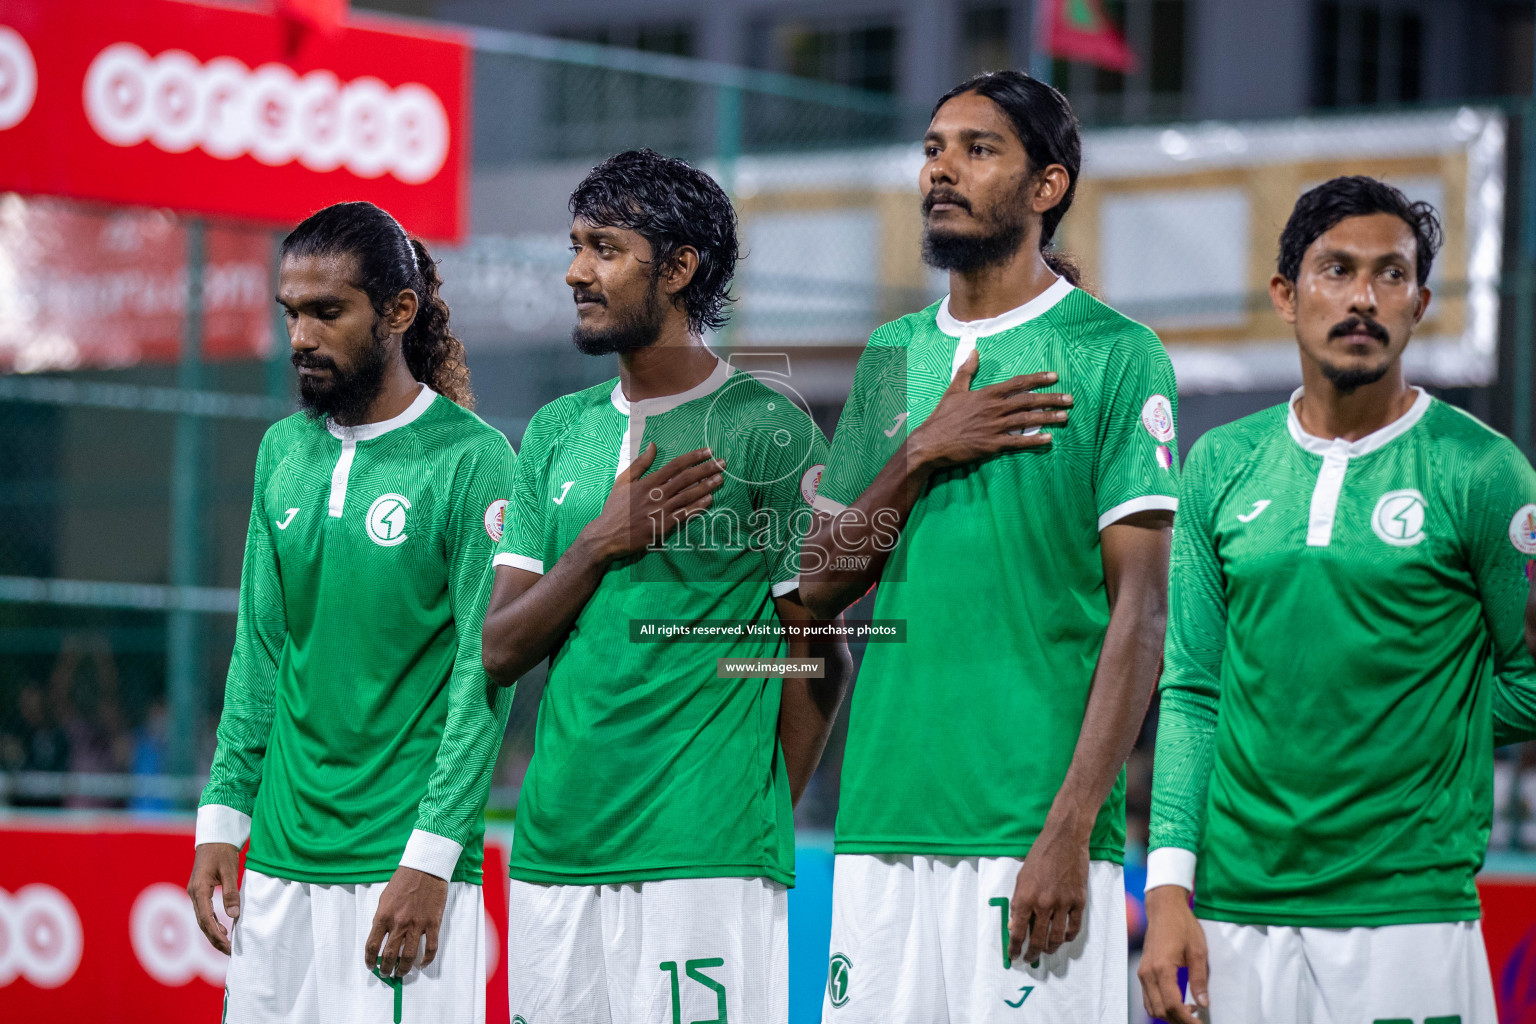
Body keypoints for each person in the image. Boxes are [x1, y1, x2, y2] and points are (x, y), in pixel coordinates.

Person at [800, 70, 1178, 1024]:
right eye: (933, 149)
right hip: (883, 821)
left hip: (1031, 832)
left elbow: (1141, 614)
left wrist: (1073, 826)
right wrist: (923, 449)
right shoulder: (893, 355)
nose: (943, 170)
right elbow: (814, 583)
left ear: (1047, 186)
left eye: (978, 149)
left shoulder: (1115, 353)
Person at [1139, 175, 1536, 1024]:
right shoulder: (1220, 462)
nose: (1364, 297)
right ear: (1287, 294)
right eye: (1337, 270)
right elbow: (1195, 690)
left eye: (1391, 275)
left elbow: (1529, 678)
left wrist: (1414, 727)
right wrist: (1169, 886)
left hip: (1411, 915)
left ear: (1422, 301)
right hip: (1237, 910)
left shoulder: (1485, 472)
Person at [481, 148, 851, 1024]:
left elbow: (820, 658)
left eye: (605, 249)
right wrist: (601, 543)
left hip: (705, 856)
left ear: (679, 268)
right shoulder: (556, 432)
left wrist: (752, 809)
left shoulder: (768, 427)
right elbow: (499, 649)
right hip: (554, 850)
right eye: (576, 246)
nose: (576, 272)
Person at [186, 201, 516, 1024]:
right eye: (291, 312)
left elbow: (485, 677)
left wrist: (433, 859)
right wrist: (222, 819)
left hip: (400, 868)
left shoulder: (475, 461)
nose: (300, 336)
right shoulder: (280, 453)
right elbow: (259, 653)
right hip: (280, 864)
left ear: (398, 313)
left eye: (327, 312)